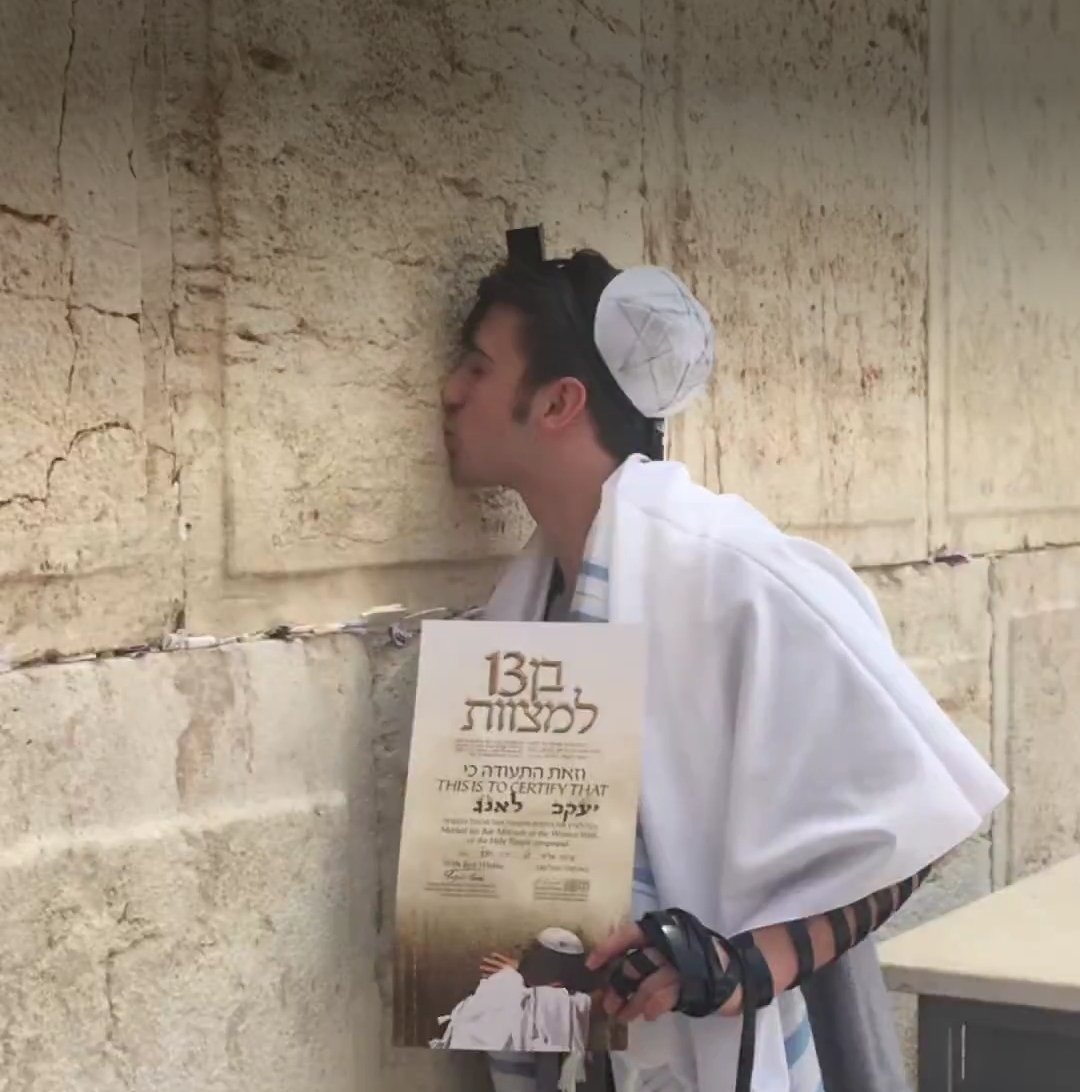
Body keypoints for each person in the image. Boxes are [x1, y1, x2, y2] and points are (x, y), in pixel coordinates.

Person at [440, 232, 1008, 1092]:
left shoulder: (730, 570)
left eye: (477, 368)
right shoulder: (519, 608)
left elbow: (927, 808)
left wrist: (744, 965)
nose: (449, 391)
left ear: (557, 402)